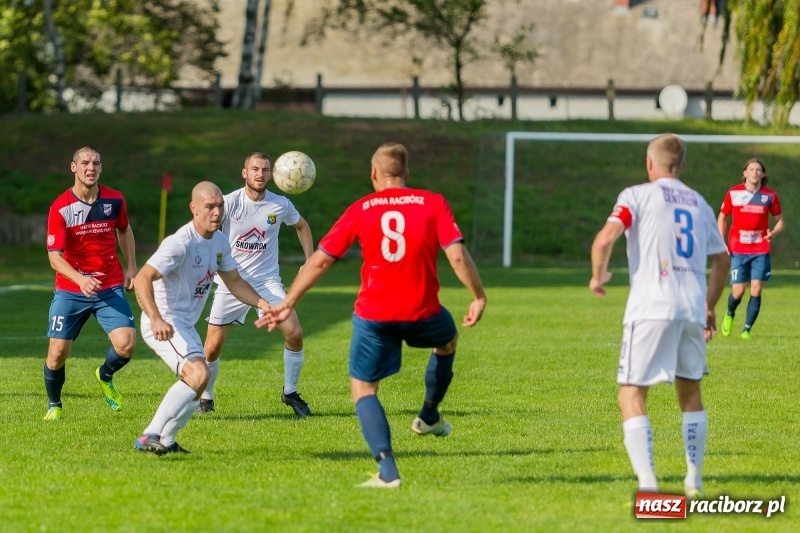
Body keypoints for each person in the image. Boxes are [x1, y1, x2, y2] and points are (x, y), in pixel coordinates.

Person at [256, 142, 487, 488]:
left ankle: (388, 471)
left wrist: (288, 301)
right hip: (423, 309)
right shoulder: (432, 202)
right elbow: (456, 255)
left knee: (364, 388)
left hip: (375, 314)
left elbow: (320, 260)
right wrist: (478, 296)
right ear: (406, 173)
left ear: (374, 174)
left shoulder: (363, 207)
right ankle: (428, 414)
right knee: (448, 340)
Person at [589, 133, 730, 498]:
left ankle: (649, 483)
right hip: (690, 308)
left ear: (649, 163)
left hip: (651, 307)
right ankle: (693, 479)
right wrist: (709, 305)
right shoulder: (700, 203)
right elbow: (722, 260)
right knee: (690, 393)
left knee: (631, 394)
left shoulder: (636, 195)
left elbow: (605, 239)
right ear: (682, 166)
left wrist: (598, 274)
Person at [133, 181, 272, 455]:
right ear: (194, 209)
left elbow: (233, 281)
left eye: (220, 205)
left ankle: (167, 441)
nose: (217, 212)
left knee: (199, 383)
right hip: (165, 322)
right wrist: (156, 318)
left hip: (185, 324)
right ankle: (149, 434)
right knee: (198, 374)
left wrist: (263, 303)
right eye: (209, 206)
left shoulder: (220, 241)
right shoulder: (180, 244)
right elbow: (142, 279)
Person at [199, 152, 314, 417]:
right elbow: (205, 231)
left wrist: (309, 259)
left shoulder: (280, 205)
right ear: (245, 173)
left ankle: (290, 392)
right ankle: (206, 398)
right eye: (254, 169)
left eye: (264, 170)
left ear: (271, 175)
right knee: (212, 347)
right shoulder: (228, 203)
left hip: (267, 283)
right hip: (231, 283)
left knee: (294, 333)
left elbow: (302, 226)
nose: (259, 174)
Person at [43, 146, 137, 421]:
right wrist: (80, 279)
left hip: (108, 284)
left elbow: (124, 229)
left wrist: (131, 266)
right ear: (73, 167)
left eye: (96, 163)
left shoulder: (115, 200)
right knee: (57, 353)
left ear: (100, 168)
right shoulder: (61, 207)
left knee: (127, 345)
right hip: (71, 288)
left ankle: (105, 374)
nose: (90, 167)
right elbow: (54, 257)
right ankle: (55, 405)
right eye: (84, 163)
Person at [717, 158, 783, 340]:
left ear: (763, 174)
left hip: (760, 248)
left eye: (758, 170)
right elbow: (722, 217)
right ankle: (730, 313)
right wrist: (722, 242)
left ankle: (746, 329)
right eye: (751, 169)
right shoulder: (733, 194)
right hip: (738, 248)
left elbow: (780, 222)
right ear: (745, 173)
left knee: (756, 288)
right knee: (738, 291)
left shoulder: (769, 196)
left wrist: (773, 233)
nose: (755, 172)